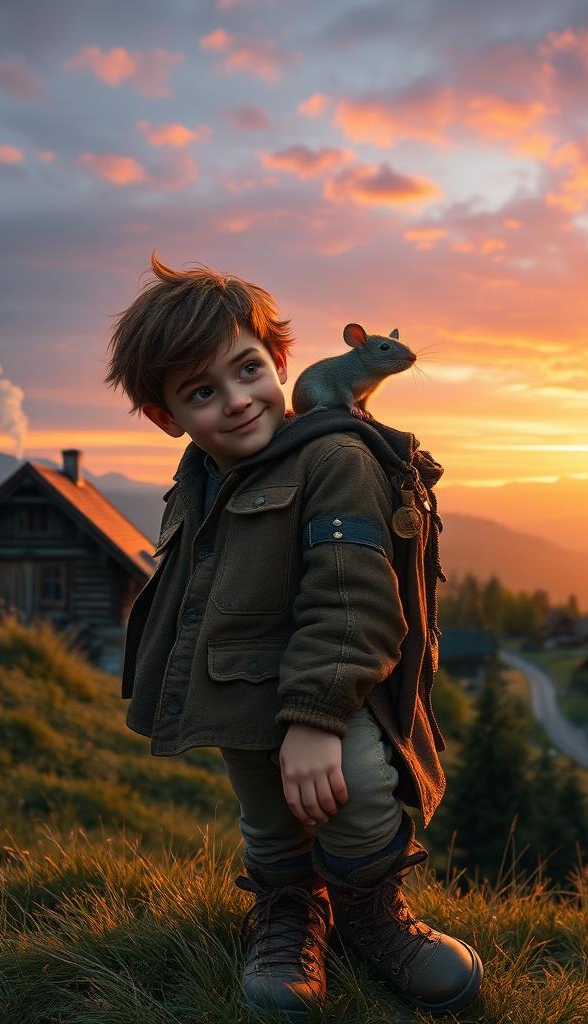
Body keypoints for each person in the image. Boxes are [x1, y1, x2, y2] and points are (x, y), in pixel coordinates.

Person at [104, 252, 482, 1021]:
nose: (237, 402)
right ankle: (289, 914)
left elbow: (353, 594)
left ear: (279, 360)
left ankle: (371, 917)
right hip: (240, 687)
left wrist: (315, 717)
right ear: (167, 415)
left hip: (331, 694)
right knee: (266, 811)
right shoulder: (201, 475)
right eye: (202, 392)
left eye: (247, 370)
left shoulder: (334, 457)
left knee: (358, 786)